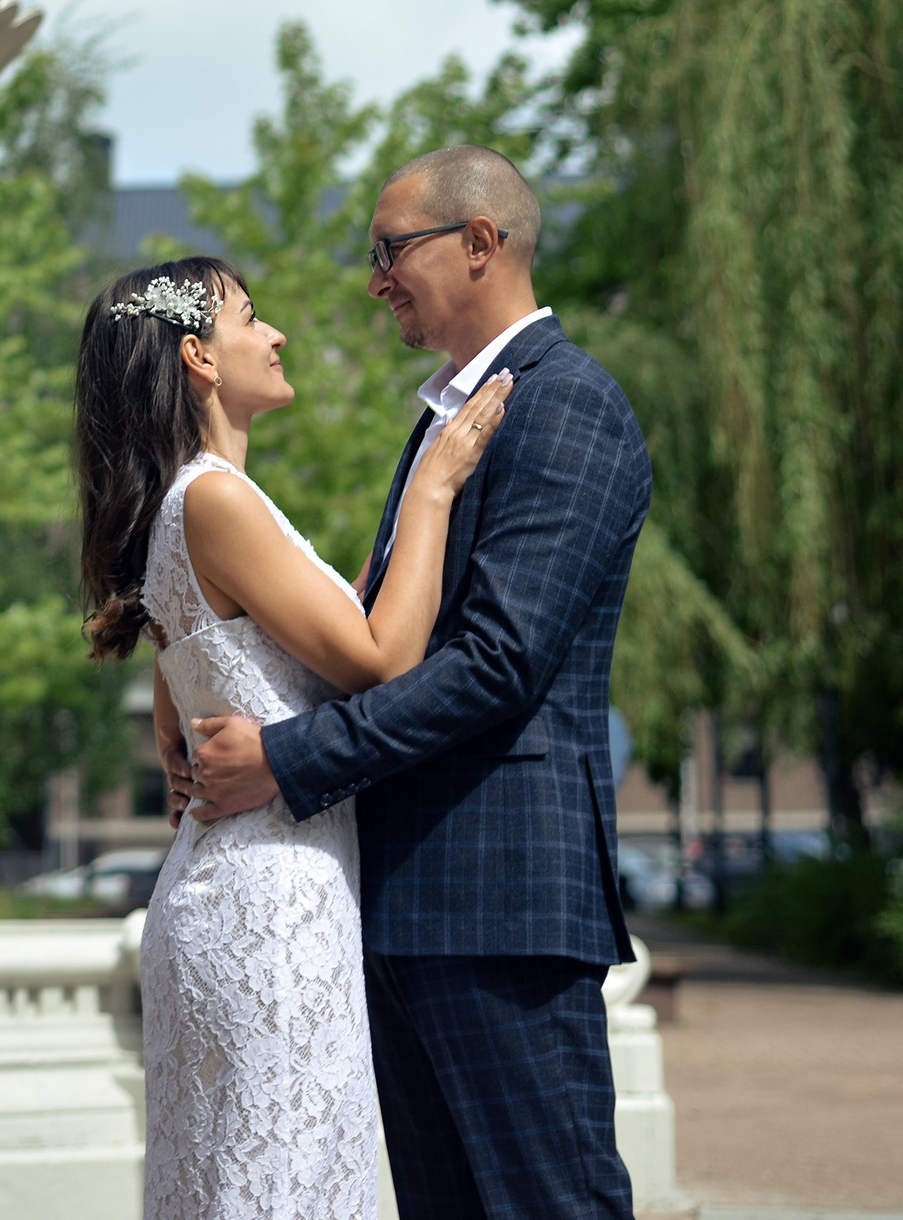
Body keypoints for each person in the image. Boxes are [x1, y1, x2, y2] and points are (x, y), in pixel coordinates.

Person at [184, 146, 651, 1220]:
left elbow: (497, 662)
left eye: (391, 249)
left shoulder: (564, 405)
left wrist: (284, 760)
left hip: (499, 903)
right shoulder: (449, 416)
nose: (374, 277)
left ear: (479, 243)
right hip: (400, 898)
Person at [74, 254, 512, 1219]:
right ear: (198, 356)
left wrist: (173, 704)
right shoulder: (216, 499)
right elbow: (382, 656)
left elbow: (244, 644)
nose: (276, 336)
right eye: (252, 317)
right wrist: (433, 487)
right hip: (272, 907)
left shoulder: (184, 503)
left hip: (236, 888)